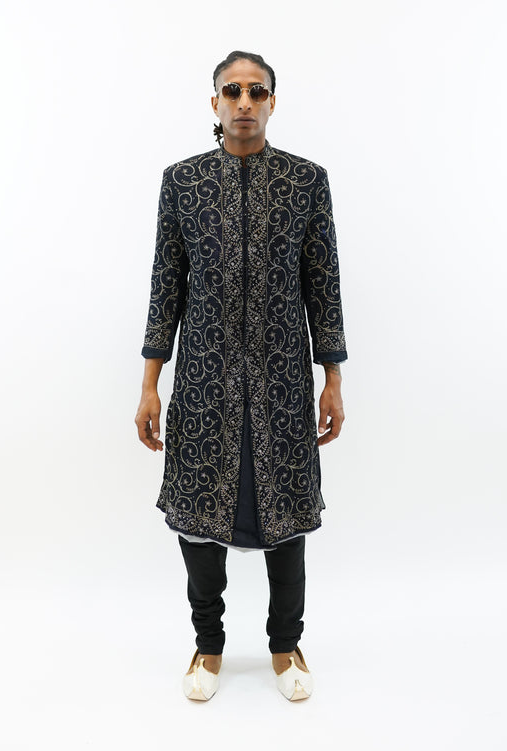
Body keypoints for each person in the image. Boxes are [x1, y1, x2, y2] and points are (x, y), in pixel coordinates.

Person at [135, 50, 347, 701]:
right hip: (204, 379)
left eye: (257, 91)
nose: (245, 102)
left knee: (287, 516)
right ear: (215, 103)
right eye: (233, 91)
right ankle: (208, 646)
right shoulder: (183, 182)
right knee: (200, 516)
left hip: (282, 381)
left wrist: (332, 378)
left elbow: (323, 285)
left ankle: (286, 645)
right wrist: (150, 382)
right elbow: (166, 285)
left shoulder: (306, 181)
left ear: (273, 102)